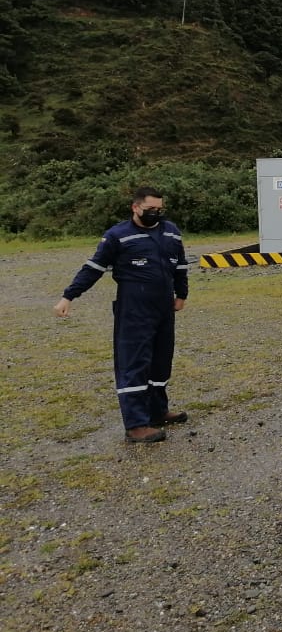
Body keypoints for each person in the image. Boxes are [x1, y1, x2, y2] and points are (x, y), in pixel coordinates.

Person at [54, 186, 191, 442]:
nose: (155, 213)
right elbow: (93, 268)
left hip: (164, 308)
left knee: (161, 362)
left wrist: (181, 295)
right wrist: (68, 296)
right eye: (150, 209)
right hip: (134, 309)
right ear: (135, 207)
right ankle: (136, 425)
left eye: (159, 209)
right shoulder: (117, 235)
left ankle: (157, 411)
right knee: (134, 363)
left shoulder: (171, 232)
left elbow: (180, 265)